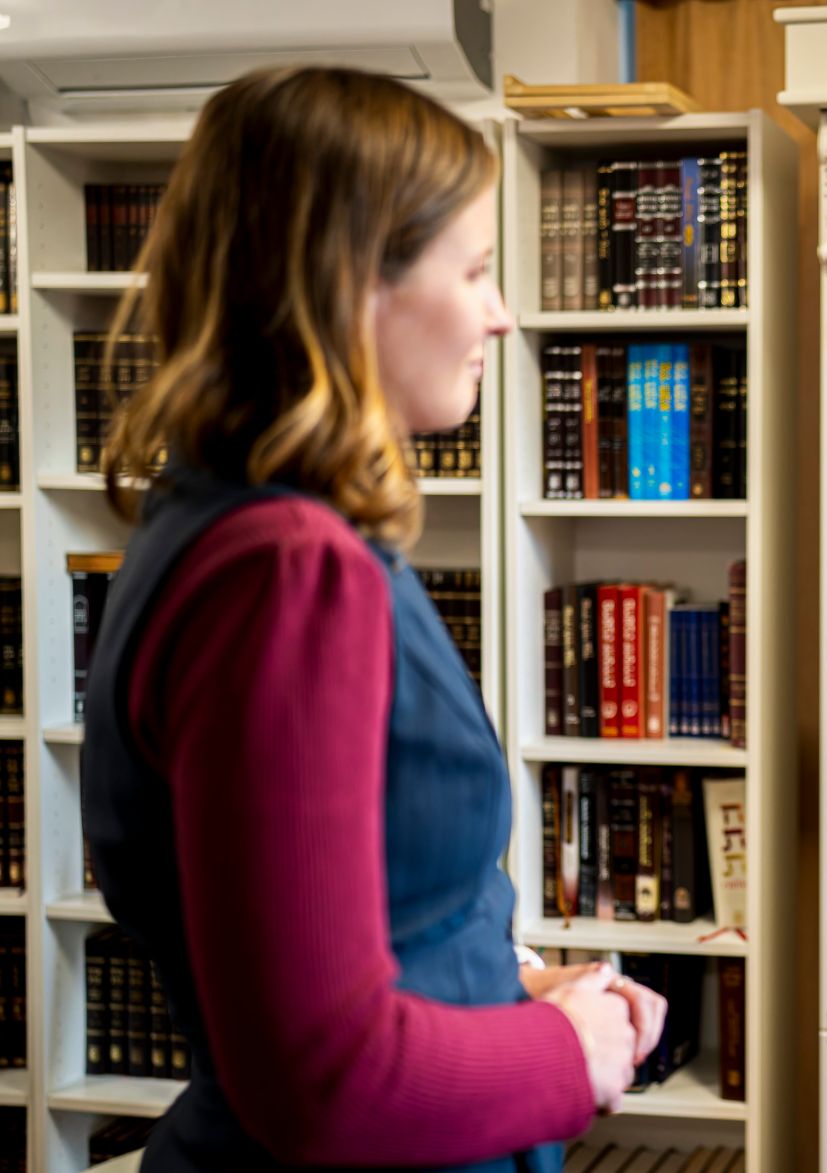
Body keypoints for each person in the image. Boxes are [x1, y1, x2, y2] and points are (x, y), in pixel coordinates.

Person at [79, 67, 663, 1171]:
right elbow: (316, 1072)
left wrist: (510, 989)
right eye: (477, 271)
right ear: (349, 286)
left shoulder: (224, 523)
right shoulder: (287, 574)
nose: (501, 313)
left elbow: (355, 943)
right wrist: (566, 1053)